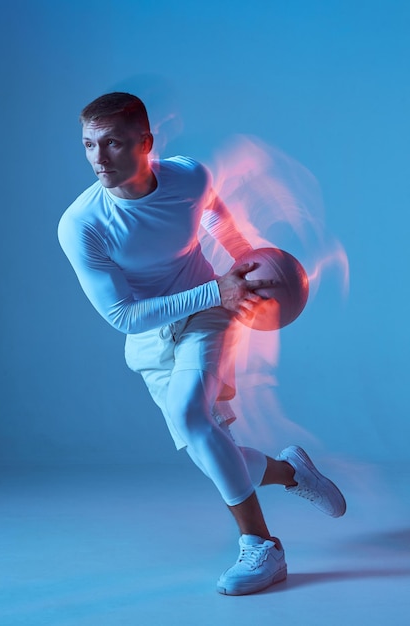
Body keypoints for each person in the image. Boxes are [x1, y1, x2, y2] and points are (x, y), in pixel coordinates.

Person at [58, 92, 346, 596]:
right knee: (209, 451)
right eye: (88, 145)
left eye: (113, 143)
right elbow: (123, 315)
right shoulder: (82, 225)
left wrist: (247, 265)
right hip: (150, 336)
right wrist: (222, 286)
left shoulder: (189, 176)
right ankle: (291, 471)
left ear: (145, 143)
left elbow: (212, 212)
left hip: (209, 317)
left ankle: (262, 547)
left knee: (192, 416)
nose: (99, 159)